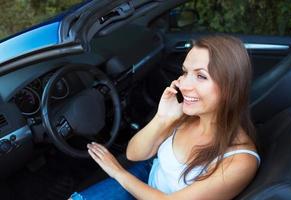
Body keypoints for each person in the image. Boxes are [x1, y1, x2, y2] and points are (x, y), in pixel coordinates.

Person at [69, 35, 260, 200]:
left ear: (231, 87)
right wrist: (163, 118)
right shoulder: (187, 115)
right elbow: (134, 154)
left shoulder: (240, 161)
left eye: (201, 77)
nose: (183, 85)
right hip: (146, 177)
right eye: (185, 72)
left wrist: (117, 171)